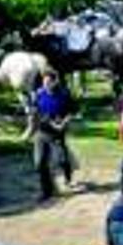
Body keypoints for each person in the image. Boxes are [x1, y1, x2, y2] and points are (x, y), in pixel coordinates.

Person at [31, 70, 78, 200]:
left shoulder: (64, 95)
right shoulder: (39, 95)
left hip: (57, 134)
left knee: (62, 159)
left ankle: (68, 177)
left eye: (48, 82)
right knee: (40, 163)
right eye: (44, 82)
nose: (46, 84)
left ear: (54, 81)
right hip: (41, 133)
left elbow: (72, 111)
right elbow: (36, 112)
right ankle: (46, 192)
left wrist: (64, 123)